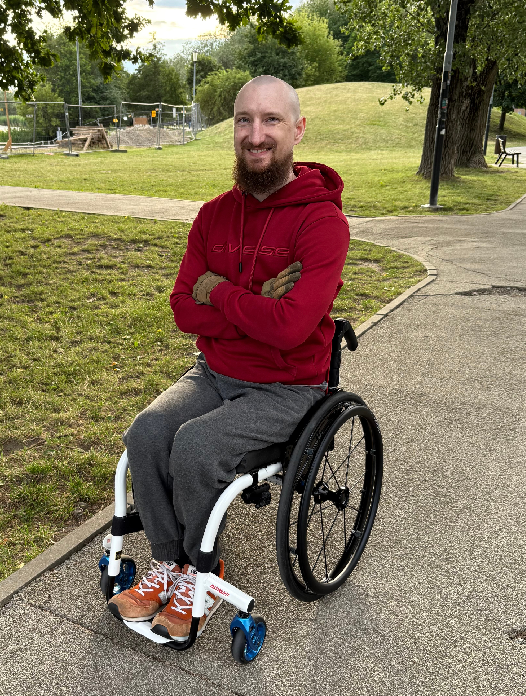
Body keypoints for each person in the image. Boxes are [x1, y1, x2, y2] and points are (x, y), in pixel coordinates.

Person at [108, 75, 350, 640]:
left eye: (271, 120)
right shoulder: (213, 215)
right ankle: (171, 562)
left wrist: (217, 291)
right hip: (214, 370)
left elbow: (290, 329)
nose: (256, 134)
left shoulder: (323, 222)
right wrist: (256, 302)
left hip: (287, 386)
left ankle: (204, 571)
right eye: (245, 120)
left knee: (196, 445)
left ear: (298, 130)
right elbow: (181, 309)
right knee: (146, 433)